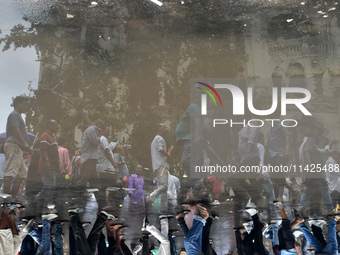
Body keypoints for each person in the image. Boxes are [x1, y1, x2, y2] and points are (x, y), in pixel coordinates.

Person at [3, 96, 32, 199]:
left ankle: (13, 197)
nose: (26, 106)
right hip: (13, 145)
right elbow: (14, 128)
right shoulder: (14, 115)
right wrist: (24, 143)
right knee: (11, 172)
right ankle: (5, 196)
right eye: (24, 104)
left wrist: (23, 146)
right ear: (18, 103)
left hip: (18, 147)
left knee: (22, 173)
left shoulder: (18, 116)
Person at [75, 119, 106, 209]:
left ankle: (101, 204)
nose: (100, 130)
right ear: (97, 124)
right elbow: (95, 142)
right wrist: (100, 134)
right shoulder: (92, 130)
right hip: (88, 160)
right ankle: (76, 201)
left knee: (95, 183)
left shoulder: (92, 131)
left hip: (91, 160)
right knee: (82, 181)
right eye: (100, 128)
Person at [36, 120, 60, 210]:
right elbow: (44, 149)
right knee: (49, 186)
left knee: (49, 186)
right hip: (47, 165)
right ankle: (48, 204)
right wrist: (46, 161)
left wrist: (58, 165)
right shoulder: (45, 135)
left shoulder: (52, 137)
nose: (57, 127)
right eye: (55, 125)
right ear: (49, 125)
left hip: (53, 166)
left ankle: (36, 199)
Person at [147, 123, 170, 213]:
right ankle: (151, 197)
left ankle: (164, 208)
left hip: (157, 165)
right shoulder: (160, 139)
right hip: (161, 165)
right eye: (163, 127)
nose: (164, 129)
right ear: (158, 128)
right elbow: (160, 149)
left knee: (163, 188)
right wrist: (168, 155)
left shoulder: (154, 140)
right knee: (164, 186)